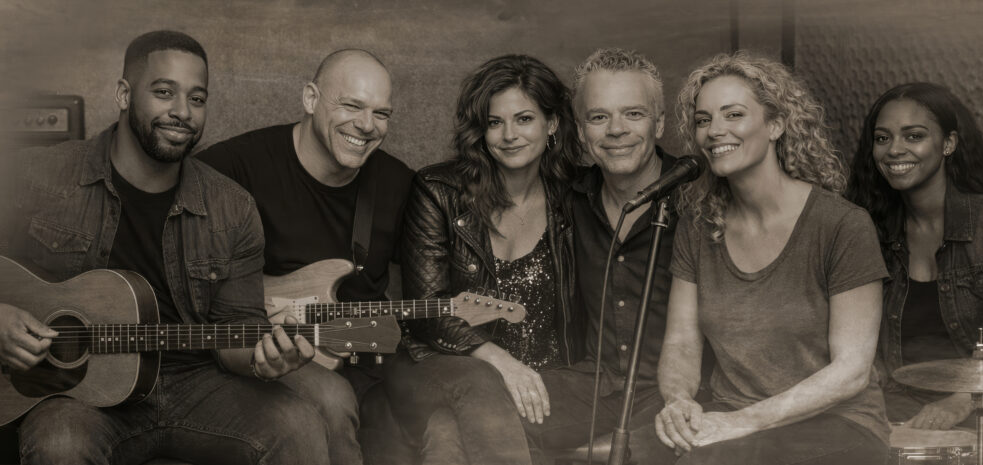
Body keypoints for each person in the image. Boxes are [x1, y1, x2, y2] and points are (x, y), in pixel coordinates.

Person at [0, 31, 330, 464]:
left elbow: (237, 326)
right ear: (123, 93)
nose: (181, 112)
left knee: (300, 426)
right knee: (61, 443)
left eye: (197, 99)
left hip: (195, 380)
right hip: (78, 397)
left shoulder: (232, 207)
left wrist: (263, 360)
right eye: (163, 92)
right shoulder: (39, 176)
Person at [647, 52, 890, 464]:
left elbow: (851, 371)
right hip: (730, 420)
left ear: (776, 124)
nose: (714, 131)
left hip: (837, 425)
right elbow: (682, 341)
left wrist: (742, 422)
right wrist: (678, 401)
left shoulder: (842, 225)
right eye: (703, 120)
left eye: (733, 114)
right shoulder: (698, 225)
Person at [197, 49, 414, 464]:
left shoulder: (395, 184)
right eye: (351, 105)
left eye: (381, 113)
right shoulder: (232, 167)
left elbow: (432, 276)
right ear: (311, 99)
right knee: (331, 403)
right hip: (248, 355)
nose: (367, 126)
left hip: (359, 357)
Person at [386, 53, 584, 465]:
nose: (509, 134)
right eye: (495, 122)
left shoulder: (575, 197)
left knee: (446, 433)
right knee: (478, 389)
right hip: (446, 366)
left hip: (543, 376)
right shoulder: (438, 190)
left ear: (552, 124)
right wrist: (498, 360)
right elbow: (429, 311)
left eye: (524, 119)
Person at [521, 48, 680, 464]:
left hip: (680, 394)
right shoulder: (566, 199)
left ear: (660, 122)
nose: (615, 130)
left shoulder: (699, 199)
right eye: (598, 117)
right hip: (594, 384)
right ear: (579, 128)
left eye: (633, 114)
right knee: (478, 412)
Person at [847, 82, 983, 444]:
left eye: (914, 136)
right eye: (882, 139)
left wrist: (961, 402)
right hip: (895, 411)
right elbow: (853, 337)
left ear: (948, 144)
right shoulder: (866, 227)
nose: (895, 149)